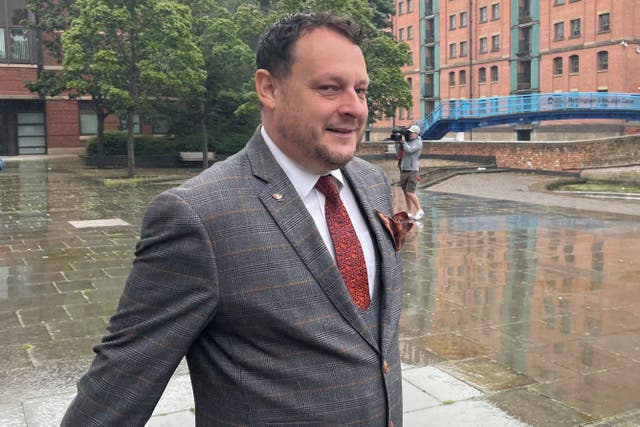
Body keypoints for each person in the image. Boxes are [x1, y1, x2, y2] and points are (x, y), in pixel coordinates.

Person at [62, 12, 403, 426]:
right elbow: (118, 384)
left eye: (361, 90)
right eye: (329, 88)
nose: (354, 108)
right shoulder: (197, 217)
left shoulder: (370, 183)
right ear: (269, 88)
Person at [398, 124, 423, 220]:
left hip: (413, 170)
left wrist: (404, 142)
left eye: (412, 132)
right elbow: (401, 152)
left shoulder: (418, 143)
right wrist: (400, 143)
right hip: (404, 169)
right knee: (405, 193)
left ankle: (419, 210)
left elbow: (409, 150)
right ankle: (410, 212)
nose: (410, 134)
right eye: (410, 132)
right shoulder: (407, 142)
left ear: (416, 134)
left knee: (410, 192)